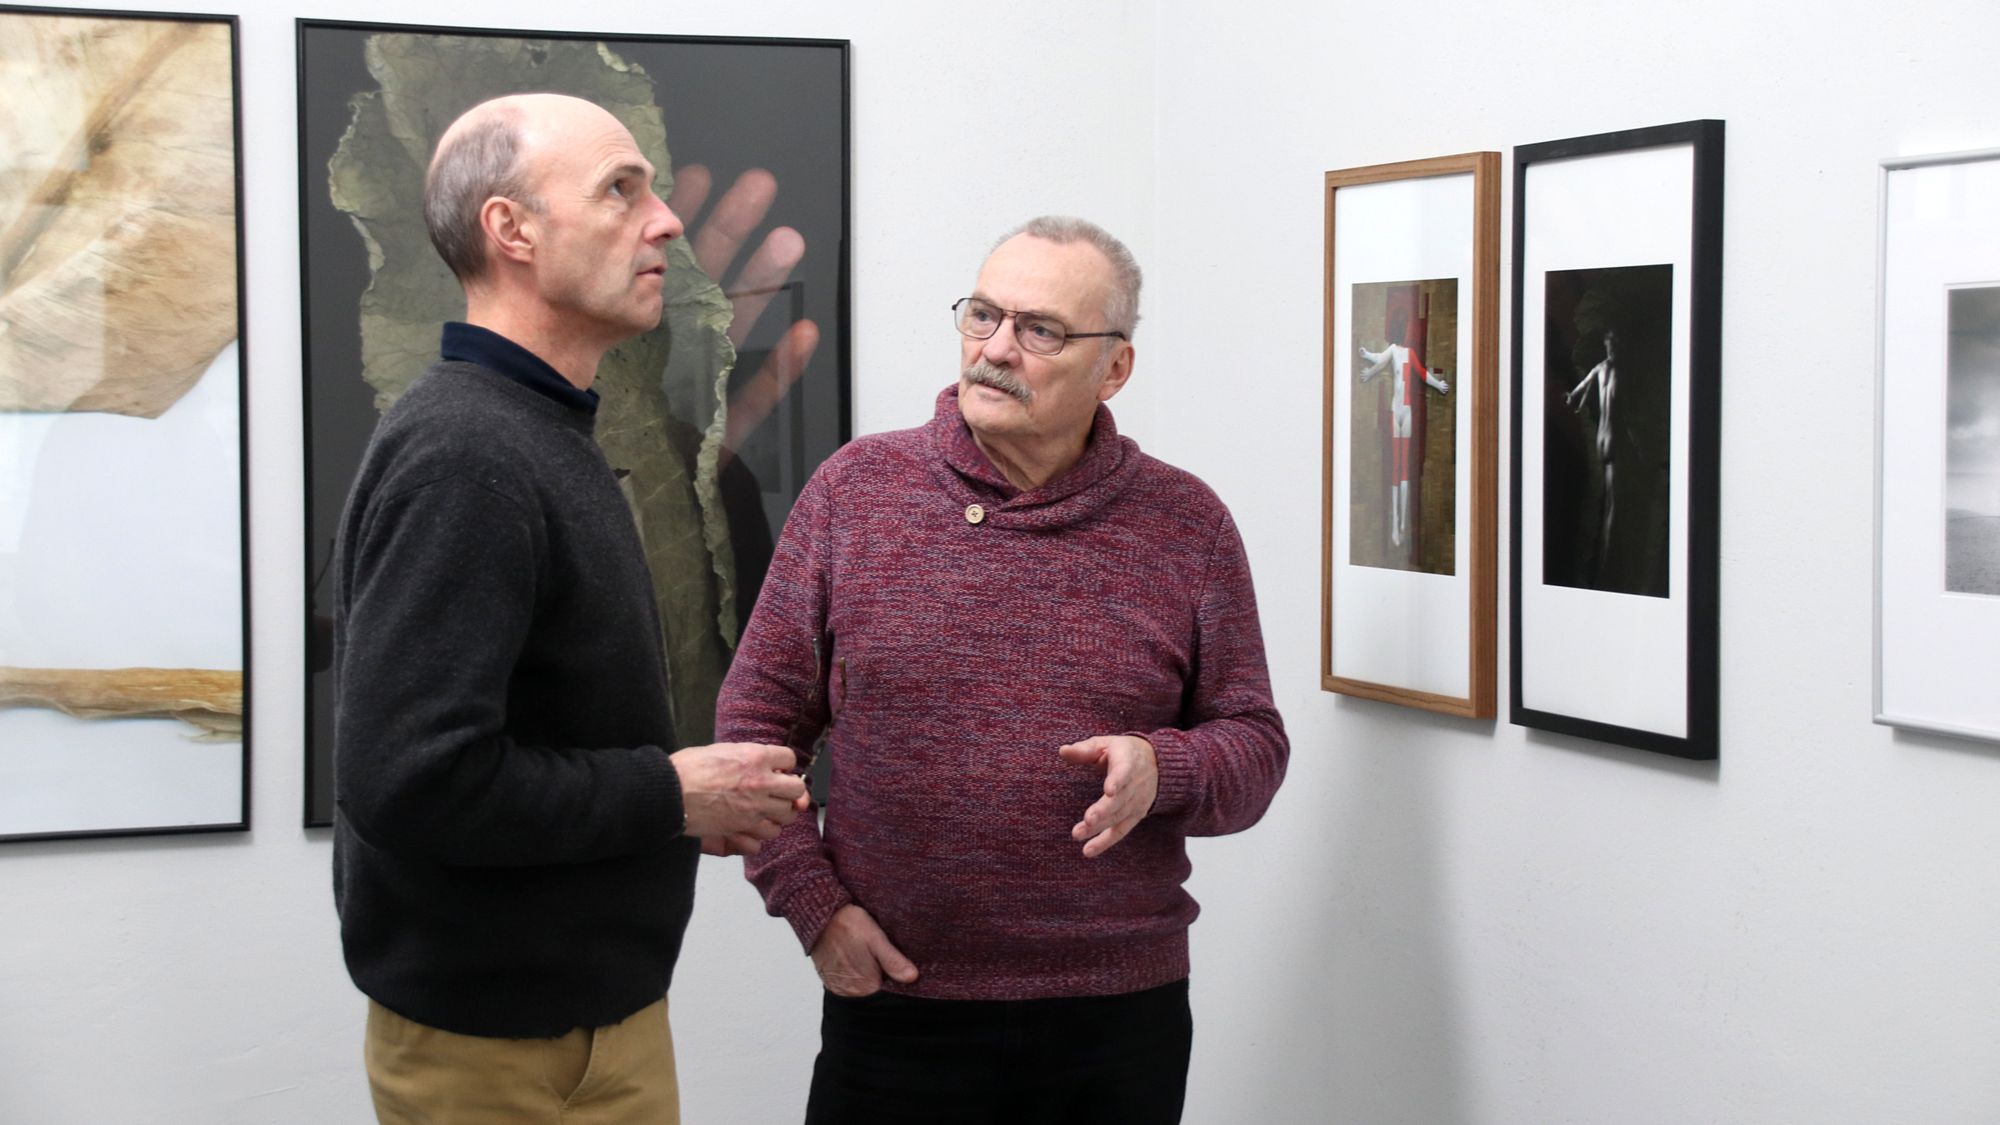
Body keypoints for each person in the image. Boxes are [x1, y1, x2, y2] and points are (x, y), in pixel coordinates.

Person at [717, 216, 1290, 1123]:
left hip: (1114, 1016)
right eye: (983, 316)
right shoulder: (855, 493)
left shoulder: (1188, 523)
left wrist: (1163, 768)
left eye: (1041, 330)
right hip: (897, 1006)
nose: (995, 350)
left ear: (1115, 369)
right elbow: (755, 726)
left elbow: (1254, 748)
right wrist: (813, 905)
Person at [331, 92, 809, 1124]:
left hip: (606, 1023)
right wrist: (670, 796)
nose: (667, 219)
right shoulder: (465, 457)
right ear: (511, 230)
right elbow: (412, 781)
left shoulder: (541, 434)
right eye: (619, 190)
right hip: (498, 1054)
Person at [1357, 334, 1450, 552]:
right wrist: (1367, 358)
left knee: (1404, 468)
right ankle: (1395, 526)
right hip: (1395, 412)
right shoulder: (1392, 350)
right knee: (1396, 467)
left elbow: (1422, 373)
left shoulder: (1409, 354)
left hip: (1406, 413)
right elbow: (1380, 359)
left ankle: (1401, 524)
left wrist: (1438, 384)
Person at [1562, 327, 1618, 580]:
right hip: (1609, 441)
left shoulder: (1602, 369)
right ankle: (1601, 566)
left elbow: (1576, 395)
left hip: (1602, 440)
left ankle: (1594, 566)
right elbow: (1578, 395)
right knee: (1608, 506)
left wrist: (1573, 400)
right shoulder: (1612, 369)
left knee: (1602, 504)